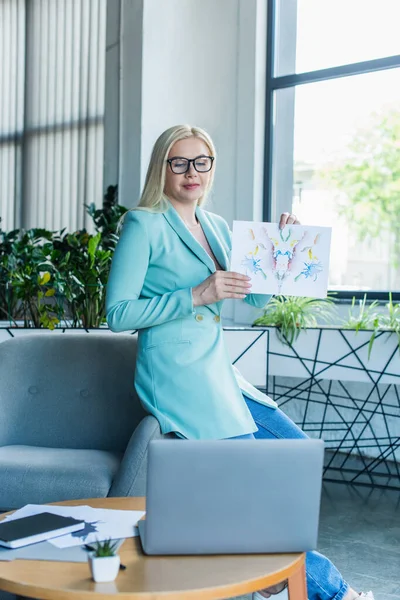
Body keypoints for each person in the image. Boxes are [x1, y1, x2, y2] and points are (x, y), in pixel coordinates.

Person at [106, 124, 374, 600]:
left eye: (201, 161)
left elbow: (255, 300)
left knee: (293, 459)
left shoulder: (218, 227)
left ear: (212, 166)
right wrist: (196, 294)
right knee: (260, 494)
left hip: (224, 377)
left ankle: (274, 581)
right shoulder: (143, 223)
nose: (193, 172)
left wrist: (282, 250)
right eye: (180, 162)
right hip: (182, 379)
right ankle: (332, 593)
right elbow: (118, 313)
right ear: (162, 168)